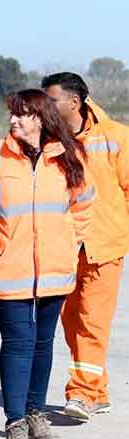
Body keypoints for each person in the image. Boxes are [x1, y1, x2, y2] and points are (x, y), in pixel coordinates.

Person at [0, 89, 93, 439]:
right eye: (12, 114)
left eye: (23, 114)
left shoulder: (68, 157)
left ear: (41, 118)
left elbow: (83, 207)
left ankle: (35, 413)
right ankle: (14, 422)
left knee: (43, 343)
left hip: (54, 270)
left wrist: (67, 244)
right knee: (18, 342)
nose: (14, 121)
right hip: (6, 269)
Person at [42, 72, 129, 421]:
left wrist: (120, 232)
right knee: (72, 321)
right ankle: (99, 390)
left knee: (93, 322)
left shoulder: (116, 136)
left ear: (74, 102)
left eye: (52, 100)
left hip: (103, 247)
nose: (46, 106)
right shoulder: (51, 140)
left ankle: (80, 393)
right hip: (64, 248)